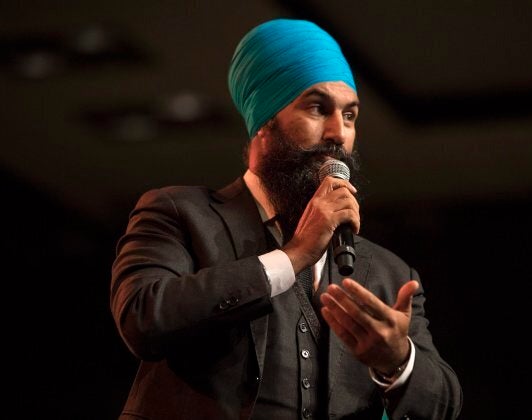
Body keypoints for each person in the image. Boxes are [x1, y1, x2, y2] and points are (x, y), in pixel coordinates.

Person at [110, 18, 462, 420]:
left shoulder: (388, 273)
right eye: (317, 108)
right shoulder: (179, 213)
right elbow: (143, 318)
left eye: (350, 116)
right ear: (264, 120)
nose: (338, 133)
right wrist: (293, 256)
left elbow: (444, 405)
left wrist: (397, 363)